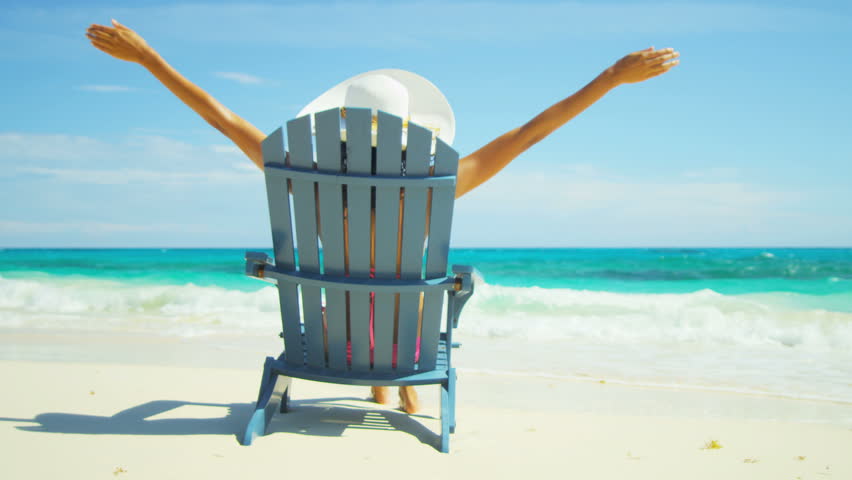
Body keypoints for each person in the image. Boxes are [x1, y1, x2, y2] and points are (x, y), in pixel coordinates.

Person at [86, 19, 679, 414]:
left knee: (349, 284)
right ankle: (391, 384)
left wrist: (147, 59)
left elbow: (218, 116)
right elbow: (528, 134)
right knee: (412, 285)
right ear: (418, 134)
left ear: (339, 126)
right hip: (405, 350)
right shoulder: (435, 181)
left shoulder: (298, 173)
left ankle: (372, 369)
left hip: (322, 343)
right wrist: (610, 78)